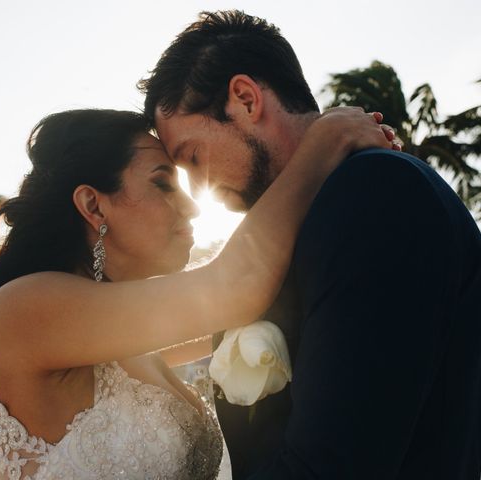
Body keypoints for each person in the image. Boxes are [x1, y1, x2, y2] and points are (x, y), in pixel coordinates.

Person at [0, 107, 393, 479]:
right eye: (161, 183)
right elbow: (234, 287)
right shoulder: (24, 308)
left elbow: (250, 300)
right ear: (94, 205)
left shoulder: (120, 338)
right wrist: (324, 141)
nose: (192, 206)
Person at [139, 10, 481, 479]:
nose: (197, 188)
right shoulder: (317, 218)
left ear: (244, 98)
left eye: (193, 157)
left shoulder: (374, 195)